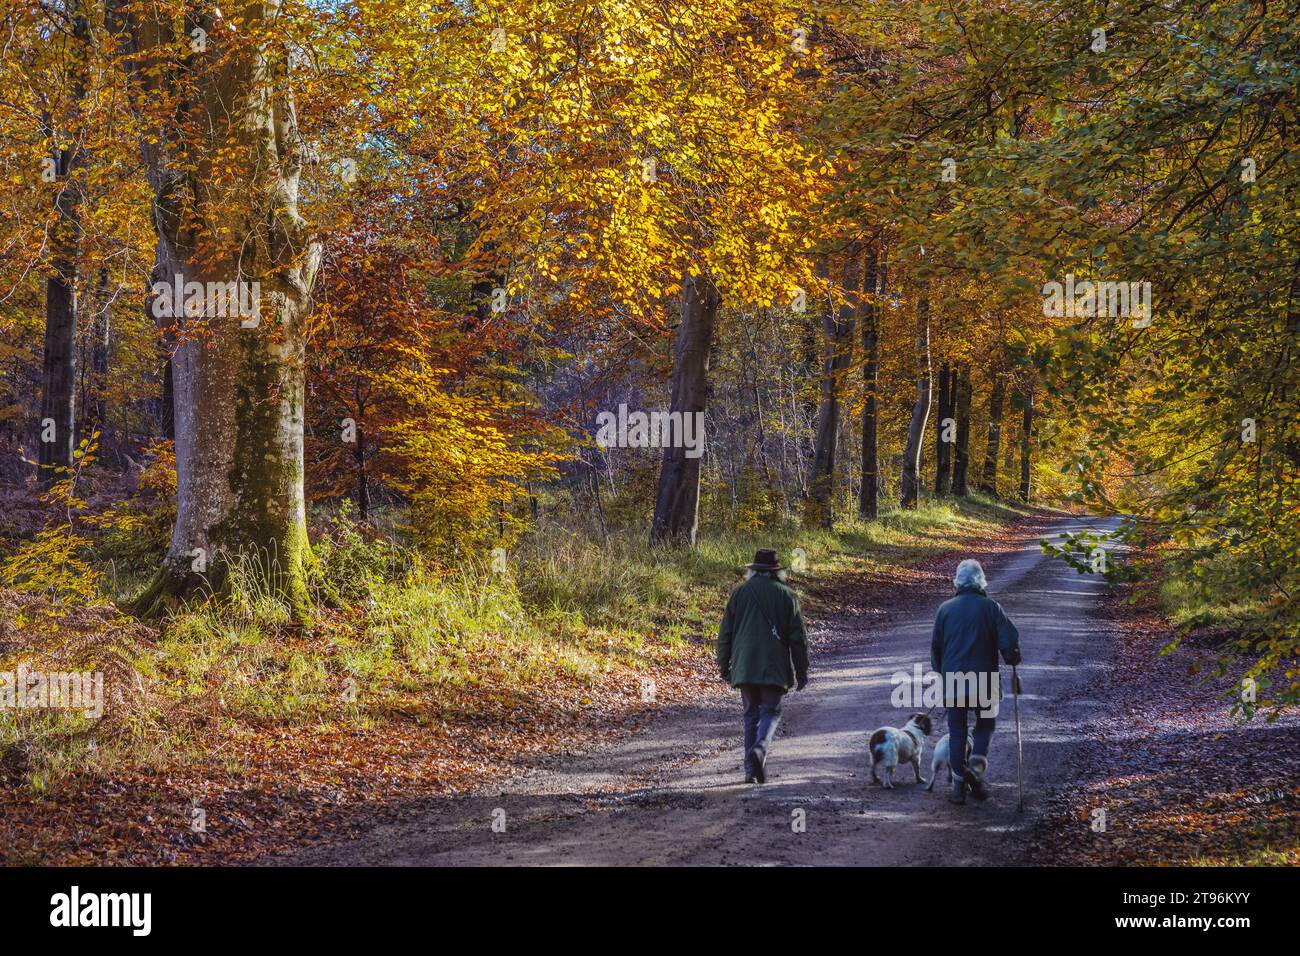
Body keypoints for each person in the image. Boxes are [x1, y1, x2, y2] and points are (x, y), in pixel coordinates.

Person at [930, 558, 1021, 804]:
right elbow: (1008, 644)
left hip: (954, 679)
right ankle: (976, 766)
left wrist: (942, 675)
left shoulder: (945, 609)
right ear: (981, 580)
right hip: (984, 678)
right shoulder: (991, 608)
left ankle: (958, 785)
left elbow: (936, 648)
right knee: (986, 723)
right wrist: (1013, 657)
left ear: (958, 580)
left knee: (957, 730)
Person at [716, 549, 809, 784]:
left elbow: (725, 633)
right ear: (777, 572)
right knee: (771, 711)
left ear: (753, 571)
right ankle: (760, 749)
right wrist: (801, 670)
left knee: (750, 716)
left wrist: (723, 665)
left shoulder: (739, 593)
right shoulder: (787, 595)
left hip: (745, 665)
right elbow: (798, 638)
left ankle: (750, 771)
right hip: (773, 666)